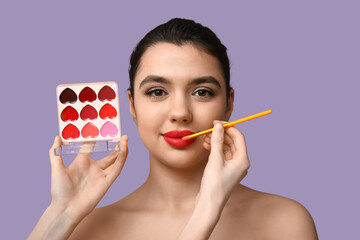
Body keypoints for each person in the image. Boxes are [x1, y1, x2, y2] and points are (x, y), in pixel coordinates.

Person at [28, 18, 318, 239]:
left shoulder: (286, 222)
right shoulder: (84, 228)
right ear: (131, 106)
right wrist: (61, 215)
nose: (180, 113)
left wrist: (209, 205)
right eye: (157, 92)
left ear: (228, 105)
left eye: (202, 92)